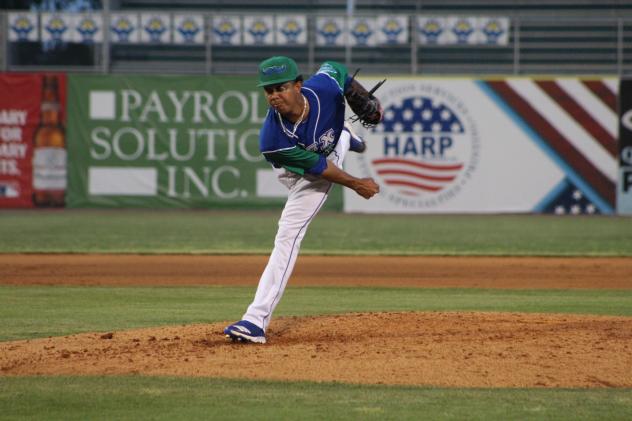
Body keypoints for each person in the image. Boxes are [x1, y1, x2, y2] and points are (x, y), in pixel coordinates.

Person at [223, 56, 383, 344]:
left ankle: (254, 321)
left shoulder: (322, 87)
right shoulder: (272, 139)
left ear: (298, 85)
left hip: (325, 155)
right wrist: (358, 183)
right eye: (268, 90)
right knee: (328, 151)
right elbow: (320, 170)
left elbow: (338, 69)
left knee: (288, 235)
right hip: (299, 171)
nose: (274, 96)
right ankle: (345, 136)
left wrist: (360, 94)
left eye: (280, 88)